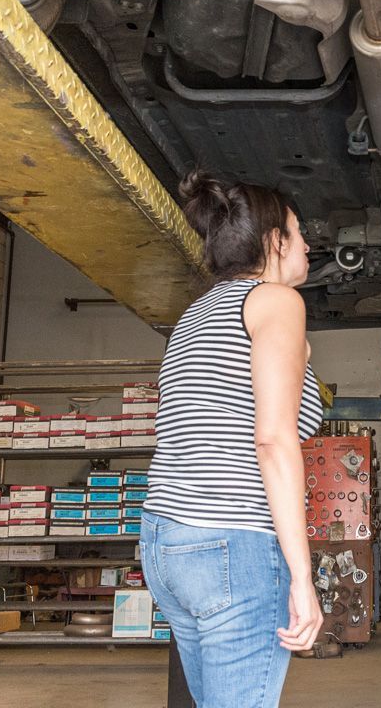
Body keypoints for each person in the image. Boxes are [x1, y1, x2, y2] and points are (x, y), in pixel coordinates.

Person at [141, 171, 324, 707]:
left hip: (166, 542)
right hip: (232, 543)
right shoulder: (275, 302)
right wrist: (302, 576)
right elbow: (272, 441)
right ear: (274, 241)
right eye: (298, 231)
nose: (309, 243)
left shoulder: (198, 312)